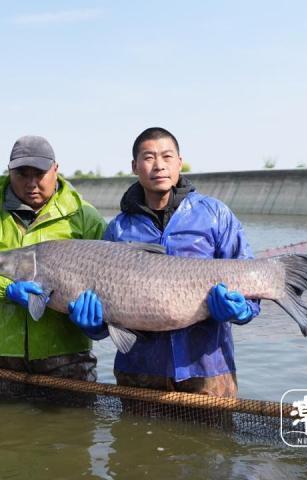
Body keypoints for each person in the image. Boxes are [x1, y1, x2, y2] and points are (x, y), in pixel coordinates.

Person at [67, 127, 260, 397]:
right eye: (148, 157)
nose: (159, 165)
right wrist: (95, 326)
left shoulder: (215, 215)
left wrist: (242, 310)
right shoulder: (118, 230)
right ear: (134, 166)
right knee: (135, 439)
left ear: (179, 163)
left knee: (214, 439)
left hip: (207, 369)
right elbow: (107, 314)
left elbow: (250, 279)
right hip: (139, 370)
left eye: (167, 156)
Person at [0, 135, 106, 381]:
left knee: (76, 419)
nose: (31, 183)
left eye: (39, 174)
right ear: (9, 172)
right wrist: (6, 290)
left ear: (55, 170)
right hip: (6, 352)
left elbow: (114, 270)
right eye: (22, 174)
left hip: (68, 353)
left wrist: (99, 325)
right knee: (6, 419)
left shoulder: (83, 215)